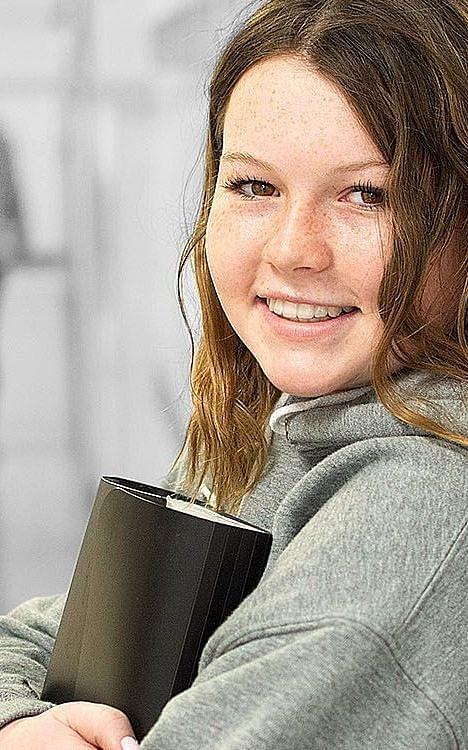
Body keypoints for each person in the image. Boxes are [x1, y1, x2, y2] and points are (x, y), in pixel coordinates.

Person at [0, 0, 467, 747]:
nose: (293, 250)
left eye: (368, 194)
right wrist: (21, 722)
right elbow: (47, 640)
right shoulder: (276, 432)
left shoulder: (413, 514)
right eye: (254, 186)